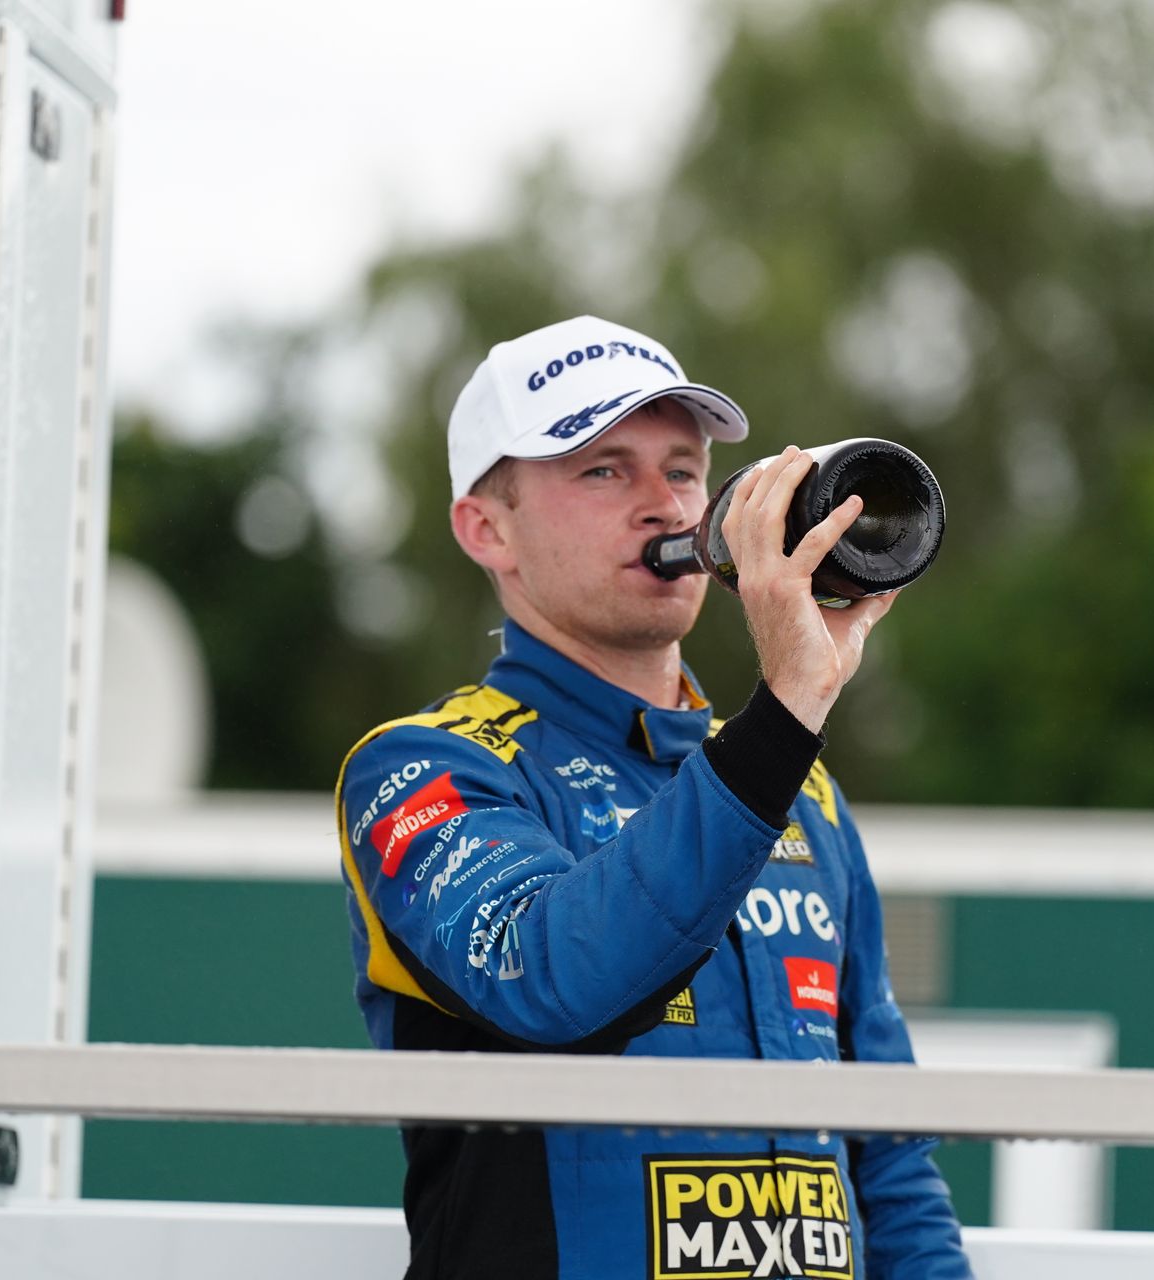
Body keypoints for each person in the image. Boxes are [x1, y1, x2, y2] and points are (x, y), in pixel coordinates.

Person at [336, 315, 971, 1279]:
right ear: (486, 527)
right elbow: (557, 984)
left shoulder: (804, 790)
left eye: (681, 468)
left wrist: (779, 731)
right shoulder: (421, 769)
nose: (664, 507)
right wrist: (786, 713)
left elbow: (888, 1150)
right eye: (603, 470)